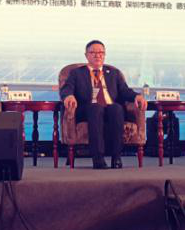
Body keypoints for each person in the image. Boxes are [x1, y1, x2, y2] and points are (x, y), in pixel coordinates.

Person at [60, 40, 145, 169]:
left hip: (110, 108)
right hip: (88, 109)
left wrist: (136, 96)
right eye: (93, 52)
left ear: (104, 55)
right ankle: (98, 158)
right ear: (86, 55)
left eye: (101, 52)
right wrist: (69, 96)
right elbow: (66, 88)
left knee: (116, 108)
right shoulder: (77, 73)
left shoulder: (113, 73)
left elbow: (124, 91)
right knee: (95, 108)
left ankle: (116, 157)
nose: (97, 55)